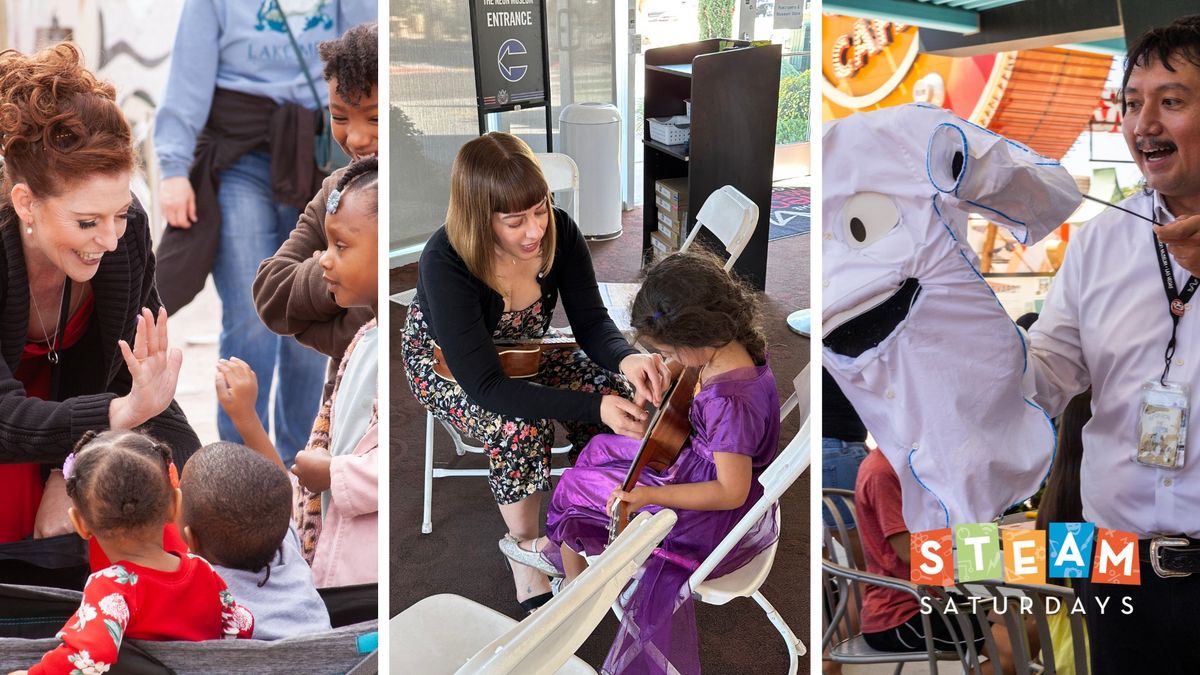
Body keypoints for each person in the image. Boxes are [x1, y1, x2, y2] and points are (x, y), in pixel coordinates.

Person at [400, 131, 670, 610]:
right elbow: (486, 387)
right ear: (479, 218)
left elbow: (590, 322)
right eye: (515, 221)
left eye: (541, 210)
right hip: (447, 365)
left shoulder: (561, 232)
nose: (534, 231)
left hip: (523, 350)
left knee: (616, 386)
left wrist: (627, 361)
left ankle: (596, 511)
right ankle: (525, 551)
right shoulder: (445, 260)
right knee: (518, 423)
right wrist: (594, 406)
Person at [1027, 14, 1200, 673]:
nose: (1142, 124)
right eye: (1132, 103)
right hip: (1112, 560)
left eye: (1171, 101)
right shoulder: (1101, 240)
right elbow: (1046, 378)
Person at [524, 250, 781, 674]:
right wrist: (662, 374)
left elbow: (730, 490)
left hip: (709, 513)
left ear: (696, 336)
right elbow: (689, 367)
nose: (666, 356)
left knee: (571, 485)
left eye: (667, 349)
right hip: (699, 466)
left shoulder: (729, 402)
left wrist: (645, 495)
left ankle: (571, 596)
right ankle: (572, 567)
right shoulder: (731, 346)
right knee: (599, 450)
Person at [0, 43, 198, 590]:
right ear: (25, 203)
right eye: (87, 222)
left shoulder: (127, 231)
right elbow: (4, 419)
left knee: (196, 494)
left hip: (93, 404)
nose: (109, 240)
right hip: (14, 416)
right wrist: (107, 428)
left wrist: (73, 469)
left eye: (119, 213)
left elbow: (131, 380)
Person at [153, 0, 374, 465]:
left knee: (313, 323)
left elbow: (365, 48)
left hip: (316, 145)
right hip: (241, 151)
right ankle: (239, 467)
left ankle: (301, 459)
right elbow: (188, 76)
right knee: (250, 316)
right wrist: (173, 168)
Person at [223, 157, 379, 587]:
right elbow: (272, 294)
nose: (322, 261)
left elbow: (383, 468)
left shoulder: (383, 347)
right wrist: (246, 418)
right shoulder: (366, 337)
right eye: (325, 246)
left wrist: (334, 475)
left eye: (339, 248)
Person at [16, 431, 253, 675]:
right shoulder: (202, 569)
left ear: (80, 524)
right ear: (174, 506)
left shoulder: (111, 586)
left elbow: (89, 656)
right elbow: (241, 625)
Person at [253, 21, 378, 403]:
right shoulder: (337, 189)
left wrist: (312, 323)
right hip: (341, 402)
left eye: (374, 118)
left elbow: (370, 326)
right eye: (340, 117)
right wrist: (338, 263)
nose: (355, 138)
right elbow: (270, 293)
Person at [179, 442, 331, 640]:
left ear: (191, 539)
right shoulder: (287, 549)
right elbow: (280, 496)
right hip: (328, 656)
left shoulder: (196, 590)